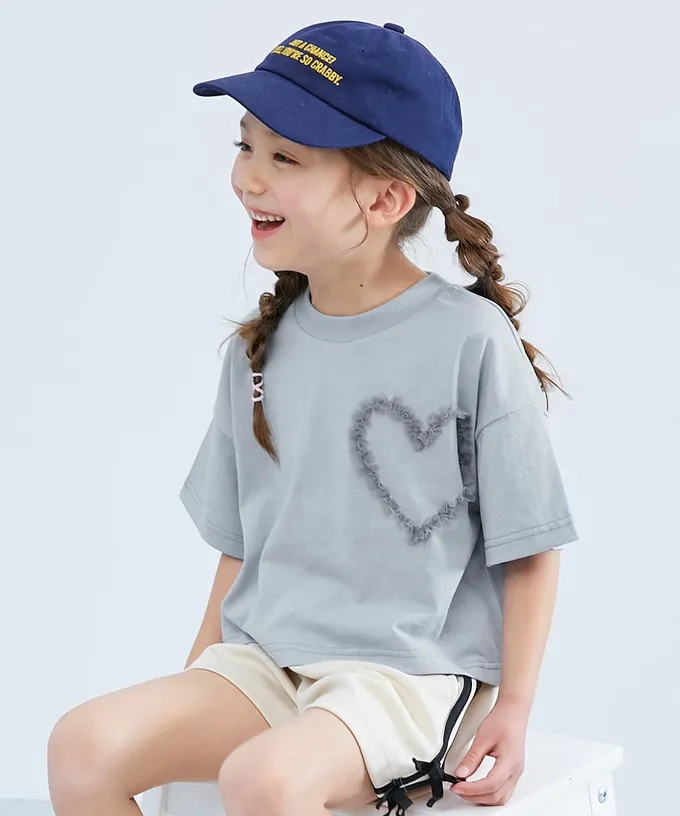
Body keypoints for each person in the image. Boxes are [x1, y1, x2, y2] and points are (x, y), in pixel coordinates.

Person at [47, 19, 579, 816]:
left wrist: (516, 708)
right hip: (265, 662)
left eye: (285, 158)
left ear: (385, 198)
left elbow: (530, 545)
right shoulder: (258, 352)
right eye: (245, 145)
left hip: (406, 677)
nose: (248, 178)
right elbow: (240, 546)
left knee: (263, 780)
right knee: (82, 744)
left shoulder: (469, 341)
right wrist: (195, 682)